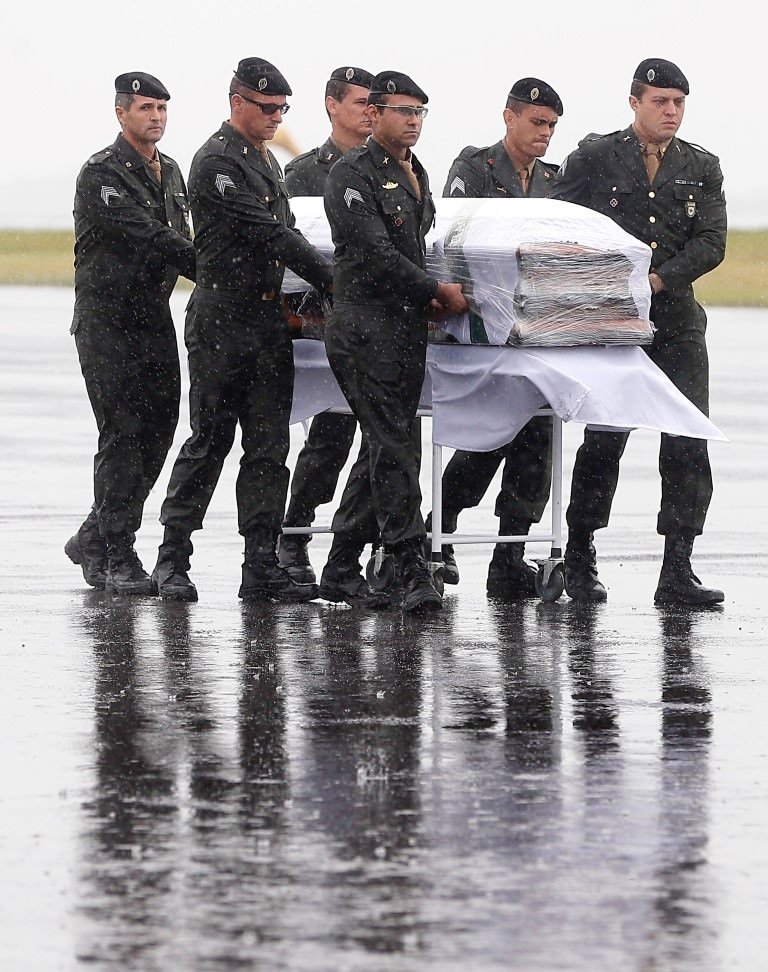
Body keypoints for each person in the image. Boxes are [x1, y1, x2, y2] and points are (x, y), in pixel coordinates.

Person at [151, 57, 333, 603]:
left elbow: (291, 230)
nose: (277, 116)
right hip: (221, 319)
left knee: (268, 448)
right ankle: (172, 559)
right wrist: (335, 280)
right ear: (238, 103)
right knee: (209, 441)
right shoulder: (216, 163)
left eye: (283, 109)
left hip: (266, 321)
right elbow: (270, 234)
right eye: (267, 107)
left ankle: (260, 566)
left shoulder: (265, 162)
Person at [551, 57, 726, 606]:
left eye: (678, 103)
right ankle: (580, 555)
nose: (671, 112)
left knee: (686, 439)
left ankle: (678, 567)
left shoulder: (702, 166)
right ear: (635, 102)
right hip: (611, 323)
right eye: (660, 102)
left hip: (674, 322)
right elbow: (558, 220)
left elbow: (711, 242)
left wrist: (656, 279)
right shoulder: (596, 157)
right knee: (605, 436)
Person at [319, 70, 469, 612]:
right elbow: (374, 254)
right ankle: (408, 566)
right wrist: (435, 290)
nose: (412, 121)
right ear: (374, 114)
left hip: (404, 330)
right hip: (363, 328)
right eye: (402, 111)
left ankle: (339, 567)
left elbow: (412, 248)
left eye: (419, 113)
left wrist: (427, 297)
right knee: (392, 445)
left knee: (385, 442)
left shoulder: (416, 172)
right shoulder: (351, 175)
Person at [431, 77, 564, 599]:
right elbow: (458, 238)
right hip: (482, 325)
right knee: (487, 435)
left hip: (536, 330)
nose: (545, 133)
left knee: (536, 438)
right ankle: (438, 526)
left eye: (552, 125)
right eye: (537, 121)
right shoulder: (474, 168)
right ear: (508, 118)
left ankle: (510, 554)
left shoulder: (552, 180)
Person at [65, 71, 196, 596]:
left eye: (162, 108)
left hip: (152, 319)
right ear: (121, 113)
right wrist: (226, 272)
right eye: (145, 108)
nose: (156, 117)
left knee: (160, 430)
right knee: (122, 435)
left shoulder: (173, 172)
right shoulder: (101, 173)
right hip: (107, 323)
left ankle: (94, 534)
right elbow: (156, 239)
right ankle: (117, 551)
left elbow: (183, 237)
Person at [276, 65, 375, 586]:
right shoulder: (303, 176)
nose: (370, 110)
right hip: (322, 327)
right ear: (332, 106)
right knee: (329, 438)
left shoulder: (388, 169)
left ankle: (351, 546)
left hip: (375, 328)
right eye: (360, 101)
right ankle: (293, 534)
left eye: (374, 102)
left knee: (381, 442)